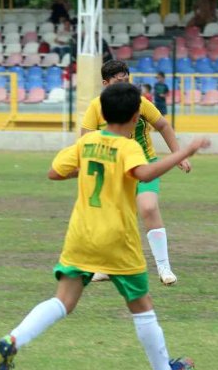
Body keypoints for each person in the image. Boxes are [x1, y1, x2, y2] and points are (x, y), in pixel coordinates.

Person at [0, 82, 209, 370]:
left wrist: (92, 165)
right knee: (141, 306)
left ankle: (13, 339)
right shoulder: (129, 147)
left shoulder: (87, 142)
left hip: (81, 234)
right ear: (136, 117)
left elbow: (54, 172)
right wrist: (185, 151)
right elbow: (144, 174)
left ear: (103, 113)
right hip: (118, 239)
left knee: (62, 300)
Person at [81, 60, 190, 286]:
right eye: (117, 81)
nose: (123, 85)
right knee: (111, 218)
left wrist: (179, 155)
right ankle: (107, 266)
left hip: (145, 165)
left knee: (148, 208)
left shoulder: (140, 103)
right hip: (113, 170)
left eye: (126, 80)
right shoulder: (95, 107)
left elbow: (163, 126)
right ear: (105, 83)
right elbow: (86, 140)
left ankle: (164, 268)